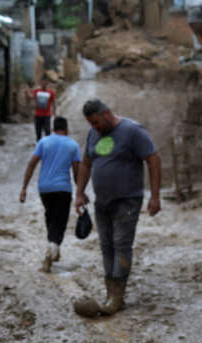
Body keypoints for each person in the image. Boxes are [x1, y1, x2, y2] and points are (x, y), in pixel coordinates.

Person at [72, 98, 161, 317]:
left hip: (127, 200)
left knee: (121, 244)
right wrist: (80, 192)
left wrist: (155, 196)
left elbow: (153, 159)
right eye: (91, 124)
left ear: (107, 113)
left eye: (96, 123)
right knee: (106, 245)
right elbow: (86, 163)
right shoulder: (93, 134)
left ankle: (117, 297)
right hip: (102, 201)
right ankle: (110, 292)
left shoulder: (133, 131)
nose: (94, 128)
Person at [19, 115, 81, 272]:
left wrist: (24, 188)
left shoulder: (43, 142)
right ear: (66, 129)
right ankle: (50, 252)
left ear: (53, 128)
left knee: (50, 217)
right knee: (60, 221)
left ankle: (54, 249)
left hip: (44, 188)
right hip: (63, 189)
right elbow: (76, 173)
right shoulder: (73, 145)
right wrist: (81, 192)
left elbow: (31, 164)